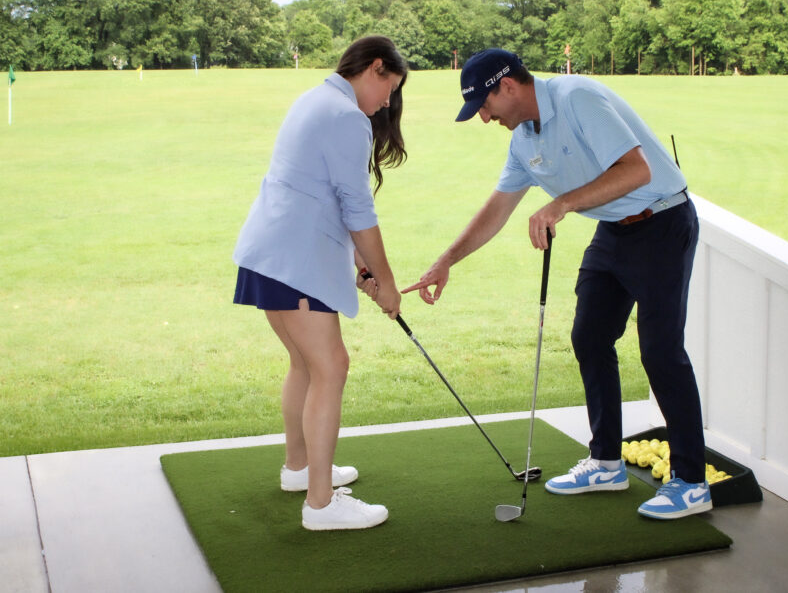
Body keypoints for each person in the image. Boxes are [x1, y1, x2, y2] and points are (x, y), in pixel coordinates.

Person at [403, 48, 711, 520]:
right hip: (614, 231)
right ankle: (606, 463)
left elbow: (637, 170)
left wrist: (561, 204)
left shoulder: (577, 97)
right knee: (589, 336)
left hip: (663, 222)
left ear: (508, 86)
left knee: (660, 351)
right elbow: (497, 209)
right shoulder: (522, 141)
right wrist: (446, 262)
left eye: (485, 105)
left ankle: (691, 483)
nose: (484, 118)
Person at [232, 35, 406, 530]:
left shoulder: (315, 98)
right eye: (390, 88)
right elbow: (357, 208)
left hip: (271, 251)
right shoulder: (347, 115)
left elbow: (320, 194)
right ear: (374, 68)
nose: (387, 103)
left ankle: (301, 469)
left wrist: (362, 265)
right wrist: (387, 282)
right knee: (331, 366)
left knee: (306, 364)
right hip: (296, 258)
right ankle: (322, 504)